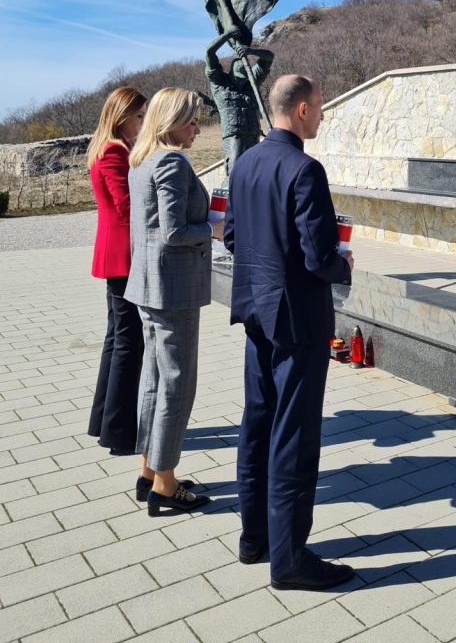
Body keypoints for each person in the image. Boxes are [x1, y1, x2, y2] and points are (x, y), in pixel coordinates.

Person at [225, 74, 355, 590]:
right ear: (301, 109)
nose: (322, 116)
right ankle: (291, 560)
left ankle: (254, 537)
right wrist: (343, 263)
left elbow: (231, 236)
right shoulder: (305, 169)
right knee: (294, 435)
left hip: (255, 310)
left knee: (257, 423)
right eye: (319, 107)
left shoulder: (245, 163)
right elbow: (318, 257)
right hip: (297, 319)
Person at [125, 88, 223, 515]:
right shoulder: (170, 161)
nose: (197, 129)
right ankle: (166, 484)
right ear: (171, 122)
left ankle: (149, 472)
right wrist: (214, 229)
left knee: (154, 380)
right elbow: (175, 232)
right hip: (172, 291)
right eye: (192, 122)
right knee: (177, 385)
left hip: (150, 287)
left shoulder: (142, 158)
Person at [87, 87, 148, 461]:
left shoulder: (109, 147)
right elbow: (127, 207)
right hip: (123, 256)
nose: (142, 122)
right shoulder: (114, 151)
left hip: (116, 254)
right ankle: (120, 432)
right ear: (122, 115)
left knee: (117, 338)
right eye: (138, 116)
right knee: (128, 340)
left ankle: (105, 422)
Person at [204, 31, 274, 178]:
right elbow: (210, 52)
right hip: (234, 137)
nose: (242, 81)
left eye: (244, 78)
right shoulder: (219, 84)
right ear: (231, 73)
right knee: (235, 170)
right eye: (239, 78)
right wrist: (227, 34)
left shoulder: (251, 83)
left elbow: (269, 57)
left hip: (253, 135)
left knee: (255, 172)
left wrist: (250, 51)